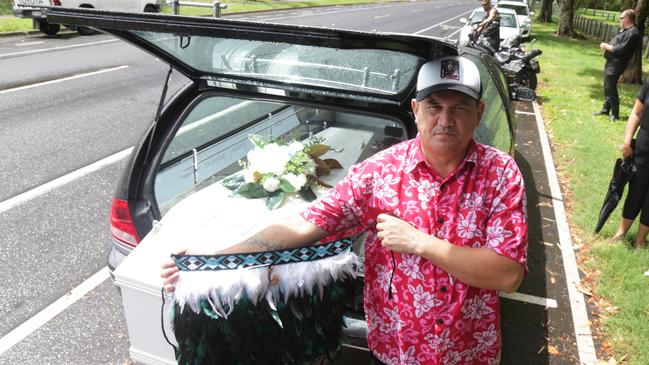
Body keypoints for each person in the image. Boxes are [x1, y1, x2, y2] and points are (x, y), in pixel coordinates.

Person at [161, 56, 529, 364]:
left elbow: (507, 274)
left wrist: (420, 243)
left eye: (459, 107)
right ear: (416, 110)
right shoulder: (379, 172)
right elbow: (306, 224)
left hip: (468, 354)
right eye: (434, 106)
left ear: (479, 113)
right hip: (395, 352)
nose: (445, 120)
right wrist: (213, 260)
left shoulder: (499, 174)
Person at [612, 77, 649, 249]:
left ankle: (640, 241)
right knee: (636, 190)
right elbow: (636, 113)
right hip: (643, 147)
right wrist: (627, 141)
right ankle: (621, 233)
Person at [594, 9, 641, 121]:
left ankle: (615, 114)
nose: (620, 20)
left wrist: (606, 46)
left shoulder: (633, 32)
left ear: (628, 19)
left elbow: (621, 49)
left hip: (617, 63)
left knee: (611, 87)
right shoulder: (625, 30)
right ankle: (606, 109)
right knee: (607, 85)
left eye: (621, 18)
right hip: (611, 62)